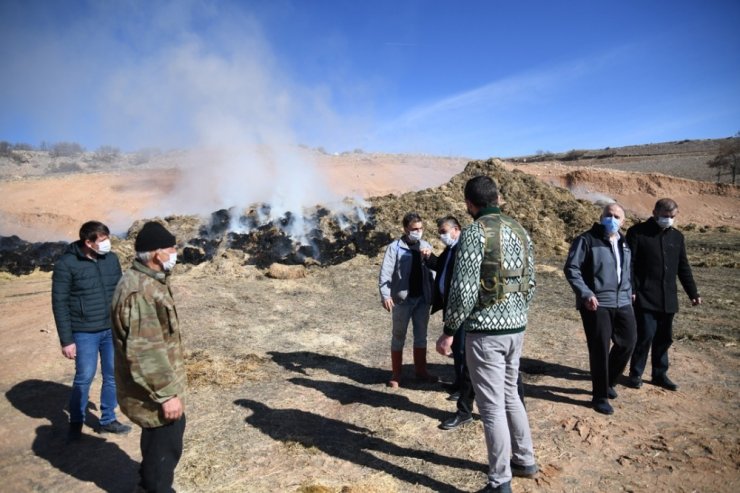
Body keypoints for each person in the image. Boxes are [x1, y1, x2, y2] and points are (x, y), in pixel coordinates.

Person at [437, 176, 537, 493]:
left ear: (469, 203)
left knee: (491, 407)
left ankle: (500, 481)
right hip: (516, 329)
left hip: (486, 333)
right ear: (498, 197)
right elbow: (531, 281)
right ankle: (525, 459)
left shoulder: (474, 233)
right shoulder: (519, 230)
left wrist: (449, 330)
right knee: (511, 396)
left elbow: (463, 289)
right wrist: (517, 314)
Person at [111, 221, 186, 493]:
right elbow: (145, 352)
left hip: (151, 391)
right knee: (162, 450)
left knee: (157, 448)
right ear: (157, 254)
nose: (176, 252)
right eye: (172, 248)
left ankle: (149, 483)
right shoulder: (140, 292)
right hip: (153, 394)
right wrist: (167, 394)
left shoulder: (148, 281)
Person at [51, 220, 131, 442]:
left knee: (112, 375)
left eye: (107, 239)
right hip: (84, 331)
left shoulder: (111, 260)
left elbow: (120, 293)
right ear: (88, 242)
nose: (107, 244)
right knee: (85, 376)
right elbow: (60, 303)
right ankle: (76, 421)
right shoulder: (67, 264)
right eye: (103, 240)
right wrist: (66, 340)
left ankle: (107, 420)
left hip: (111, 329)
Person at [564, 203, 637, 415]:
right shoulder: (586, 240)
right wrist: (585, 293)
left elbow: (627, 269)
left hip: (622, 300)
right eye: (608, 215)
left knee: (628, 341)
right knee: (600, 349)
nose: (611, 219)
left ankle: (608, 382)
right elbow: (572, 268)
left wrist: (630, 289)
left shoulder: (624, 242)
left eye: (616, 216)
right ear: (601, 216)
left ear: (623, 221)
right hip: (596, 303)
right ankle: (600, 396)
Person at [626, 198, 701, 391]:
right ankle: (635, 373)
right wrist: (632, 289)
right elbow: (629, 265)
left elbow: (683, 267)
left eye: (672, 217)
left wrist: (693, 292)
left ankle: (660, 374)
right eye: (665, 216)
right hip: (644, 295)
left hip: (668, 297)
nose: (668, 220)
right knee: (645, 336)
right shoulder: (637, 233)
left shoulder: (677, 237)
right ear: (654, 213)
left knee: (664, 338)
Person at [378, 212, 437, 387]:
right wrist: (385, 295)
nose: (418, 232)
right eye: (414, 229)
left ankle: (421, 371)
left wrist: (432, 293)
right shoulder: (394, 248)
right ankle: (396, 373)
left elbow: (433, 271)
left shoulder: (426, 245)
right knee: (398, 336)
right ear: (405, 229)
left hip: (422, 300)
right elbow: (385, 272)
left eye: (420, 228)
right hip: (402, 300)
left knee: (421, 336)